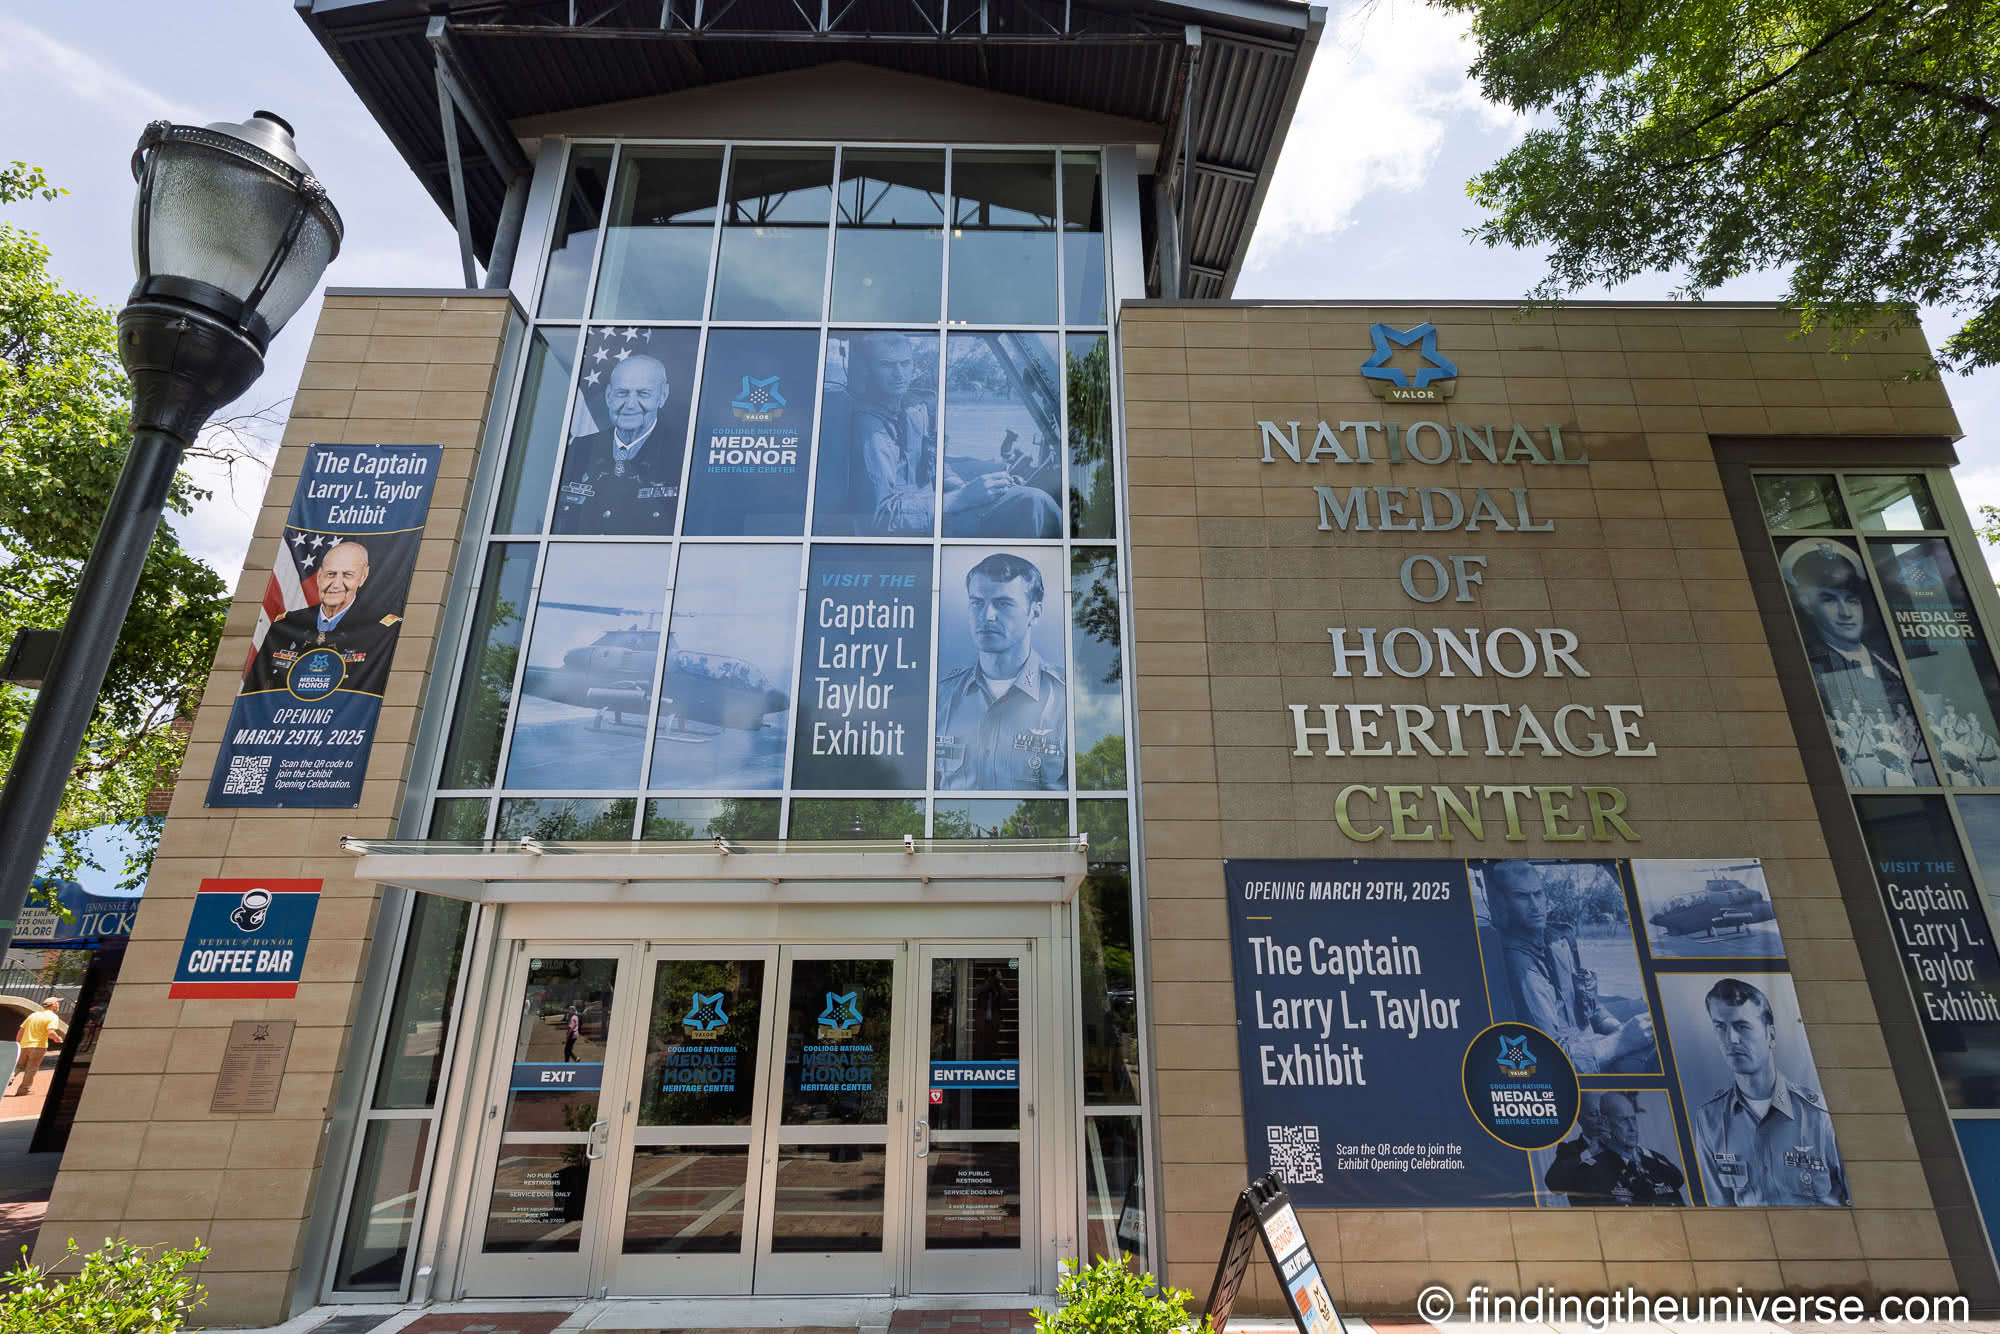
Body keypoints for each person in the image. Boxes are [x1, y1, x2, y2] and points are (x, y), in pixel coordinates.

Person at [1783, 539, 1935, 783]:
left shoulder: (1890, 663)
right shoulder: (1813, 670)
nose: (1846, 612)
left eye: (1852, 600)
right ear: (1808, 606)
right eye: (1829, 599)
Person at [1691, 977, 1848, 1206]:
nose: (1731, 1039)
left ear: (1771, 1036)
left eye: (1742, 1027)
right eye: (1720, 1027)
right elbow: (1721, 1212)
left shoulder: (1822, 1115)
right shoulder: (1709, 1120)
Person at [1486, 862, 1654, 1073]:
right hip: (1578, 1062)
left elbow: (1588, 1006)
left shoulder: (1555, 940)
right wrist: (1622, 1040)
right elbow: (1551, 1059)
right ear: (1501, 903)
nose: (1535, 905)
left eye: (1538, 894)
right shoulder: (1519, 966)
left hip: (1591, 1040)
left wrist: (1615, 1026)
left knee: (1650, 1014)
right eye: (1522, 896)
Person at [935, 553, 1067, 790]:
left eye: (1003, 603)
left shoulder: (1067, 698)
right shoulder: (940, 697)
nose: (987, 616)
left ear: (1034, 613)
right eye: (977, 603)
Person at [246, 539, 402, 696]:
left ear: (362, 577)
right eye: (330, 574)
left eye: (347, 575)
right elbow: (254, 690)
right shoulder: (286, 624)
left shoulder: (379, 628)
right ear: (319, 576)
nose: (336, 584)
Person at [554, 353, 681, 534]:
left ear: (662, 396)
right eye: (622, 393)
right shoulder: (581, 449)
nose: (630, 404)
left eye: (643, 393)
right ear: (608, 396)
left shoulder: (682, 453)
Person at [1542, 1093, 1611, 1205]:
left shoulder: (1622, 1148)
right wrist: (1588, 1153)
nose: (1601, 1120)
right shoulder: (1569, 1149)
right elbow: (1554, 1185)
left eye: (1604, 1114)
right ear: (1580, 1120)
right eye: (1594, 1114)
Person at [8, 997, 66, 1097]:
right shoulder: (52, 1017)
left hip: (24, 1045)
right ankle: (23, 1090)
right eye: (57, 1003)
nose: (58, 1005)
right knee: (31, 1068)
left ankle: (9, 1077)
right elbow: (50, 1032)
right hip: (38, 1046)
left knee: (18, 1066)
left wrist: (18, 1043)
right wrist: (57, 1038)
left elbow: (21, 1030)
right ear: (53, 1005)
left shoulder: (34, 1015)